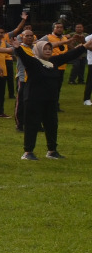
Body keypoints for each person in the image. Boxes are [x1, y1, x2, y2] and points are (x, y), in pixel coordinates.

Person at [13, 28, 88, 160]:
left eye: (49, 49)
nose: (48, 51)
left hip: (50, 100)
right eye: (45, 49)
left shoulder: (54, 62)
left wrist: (85, 46)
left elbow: (69, 55)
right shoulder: (33, 62)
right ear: (39, 50)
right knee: (32, 125)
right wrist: (18, 48)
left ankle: (52, 151)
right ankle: (28, 152)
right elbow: (23, 57)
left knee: (52, 125)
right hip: (33, 100)